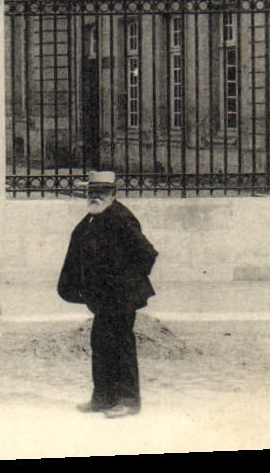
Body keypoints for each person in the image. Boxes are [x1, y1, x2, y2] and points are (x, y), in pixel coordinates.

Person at [58, 170, 158, 418]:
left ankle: (128, 400)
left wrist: (124, 281)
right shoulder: (93, 218)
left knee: (121, 345)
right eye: (91, 192)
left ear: (112, 194)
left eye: (101, 192)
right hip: (103, 298)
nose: (95, 197)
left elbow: (147, 253)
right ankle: (102, 397)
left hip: (121, 296)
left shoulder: (122, 218)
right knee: (101, 343)